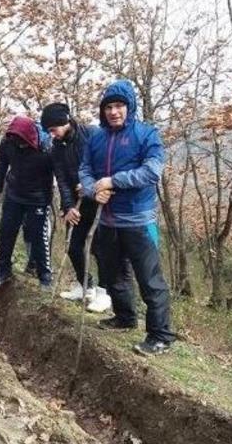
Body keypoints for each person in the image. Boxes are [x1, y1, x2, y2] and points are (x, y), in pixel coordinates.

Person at [78, 80, 176, 356]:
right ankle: (124, 317)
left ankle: (161, 335)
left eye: (119, 105)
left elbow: (151, 173)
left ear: (129, 106)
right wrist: (91, 190)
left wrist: (113, 181)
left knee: (149, 279)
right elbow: (85, 170)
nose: (113, 112)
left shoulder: (147, 135)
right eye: (108, 107)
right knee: (112, 274)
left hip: (138, 221)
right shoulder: (96, 138)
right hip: (106, 220)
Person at [41, 102, 116, 313]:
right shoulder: (57, 147)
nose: (52, 135)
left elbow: (106, 164)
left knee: (100, 249)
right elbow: (62, 178)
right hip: (76, 202)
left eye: (53, 129)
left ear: (64, 122)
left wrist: (90, 185)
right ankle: (85, 286)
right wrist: (67, 207)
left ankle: (104, 293)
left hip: (99, 200)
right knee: (73, 246)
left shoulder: (92, 134)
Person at [0, 115, 54, 289]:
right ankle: (3, 269)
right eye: (17, 142)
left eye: (23, 142)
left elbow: (59, 171)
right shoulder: (8, 142)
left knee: (38, 235)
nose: (20, 145)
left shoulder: (46, 146)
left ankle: (44, 274)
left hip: (38, 197)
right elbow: (1, 162)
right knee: (6, 230)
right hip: (14, 192)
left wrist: (65, 203)